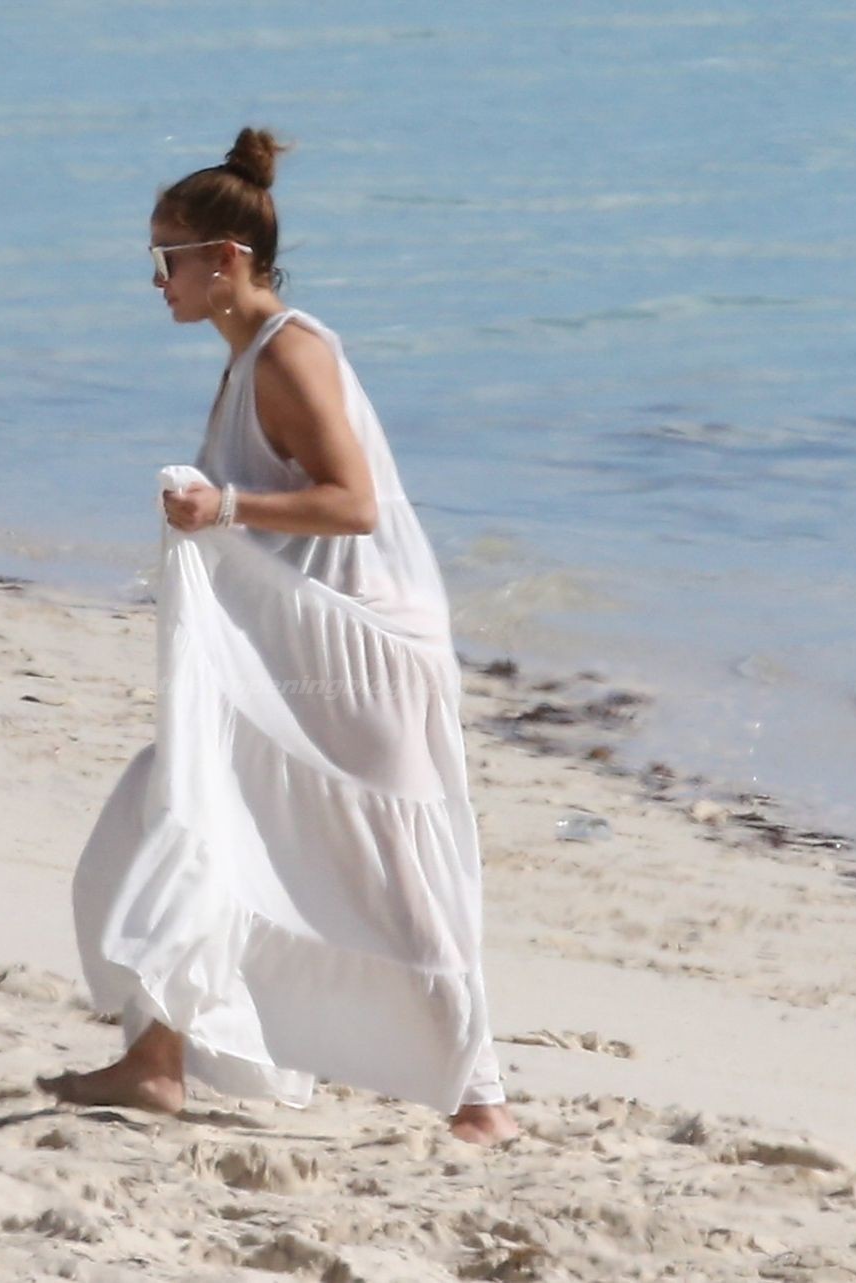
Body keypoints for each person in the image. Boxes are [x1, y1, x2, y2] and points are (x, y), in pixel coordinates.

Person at [40, 127, 519, 1147]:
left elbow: (352, 504)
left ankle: (482, 1099)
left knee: (397, 877)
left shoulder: (292, 353)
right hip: (302, 655)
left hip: (365, 653)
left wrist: (224, 508)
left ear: (226, 258)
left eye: (168, 257)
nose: (156, 279)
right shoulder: (245, 359)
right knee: (174, 811)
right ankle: (156, 1060)